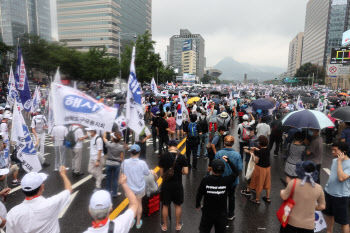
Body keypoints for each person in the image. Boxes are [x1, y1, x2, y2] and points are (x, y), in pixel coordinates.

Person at [6, 166, 72, 233]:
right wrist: (63, 175)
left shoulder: (12, 213)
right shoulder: (52, 203)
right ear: (41, 187)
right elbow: (68, 190)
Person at [280, 161, 325, 233]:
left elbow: (284, 197)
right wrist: (313, 206)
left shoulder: (293, 182)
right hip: (308, 225)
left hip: (291, 222)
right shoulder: (319, 188)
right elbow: (322, 206)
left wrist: (282, 191)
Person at [196, 157, 239, 233]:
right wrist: (229, 161)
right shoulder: (226, 180)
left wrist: (197, 204)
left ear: (211, 169)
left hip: (207, 213)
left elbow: (200, 193)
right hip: (221, 214)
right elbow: (236, 172)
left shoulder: (206, 180)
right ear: (223, 170)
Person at [159, 140, 188, 231]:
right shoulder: (182, 157)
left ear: (168, 146)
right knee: (177, 205)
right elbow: (186, 172)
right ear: (176, 146)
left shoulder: (163, 156)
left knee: (165, 205)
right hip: (177, 184)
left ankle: (164, 226)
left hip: (166, 184)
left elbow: (161, 173)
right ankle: (178, 225)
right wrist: (180, 172)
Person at [323, 141, 350, 233]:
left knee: (344, 222)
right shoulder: (334, 160)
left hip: (341, 196)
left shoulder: (349, 164)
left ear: (343, 152)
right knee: (329, 215)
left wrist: (339, 162)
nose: (332, 152)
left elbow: (341, 178)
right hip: (329, 192)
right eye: (332, 149)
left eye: (335, 150)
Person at [213, 135, 242, 220]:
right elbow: (239, 168)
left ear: (224, 143)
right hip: (232, 181)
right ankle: (230, 214)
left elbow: (214, 166)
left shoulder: (219, 153)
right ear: (233, 143)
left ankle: (222, 213)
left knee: (222, 196)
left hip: (221, 179)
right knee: (231, 197)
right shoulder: (237, 155)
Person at [122, 144, 150, 229]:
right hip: (139, 188)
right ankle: (138, 222)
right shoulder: (142, 163)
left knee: (131, 205)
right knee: (139, 204)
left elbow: (122, 171)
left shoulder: (125, 162)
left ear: (130, 152)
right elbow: (147, 173)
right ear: (139, 152)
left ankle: (130, 223)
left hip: (129, 189)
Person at [249, 135, 271, 204]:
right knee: (267, 183)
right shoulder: (268, 149)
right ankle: (268, 198)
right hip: (268, 168)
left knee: (259, 184)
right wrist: (256, 149)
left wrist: (252, 153)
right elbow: (262, 151)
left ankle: (257, 199)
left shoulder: (259, 152)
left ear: (260, 143)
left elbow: (256, 161)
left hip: (260, 168)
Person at [102, 132, 124, 197]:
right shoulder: (121, 147)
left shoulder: (109, 145)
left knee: (108, 179)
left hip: (108, 163)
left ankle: (108, 193)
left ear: (112, 139)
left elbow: (104, 138)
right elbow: (121, 157)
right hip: (116, 164)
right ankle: (114, 193)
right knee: (115, 179)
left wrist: (105, 133)